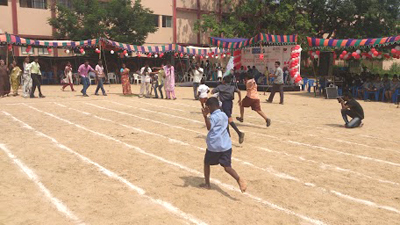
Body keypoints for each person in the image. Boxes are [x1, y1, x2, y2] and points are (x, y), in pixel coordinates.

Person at [200, 97, 247, 193]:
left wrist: (205, 117)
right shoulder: (224, 115)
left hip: (214, 146)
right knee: (227, 167)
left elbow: (209, 127)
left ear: (209, 107)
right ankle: (238, 178)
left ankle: (207, 184)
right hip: (226, 145)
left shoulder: (213, 117)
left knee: (206, 163)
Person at [212, 75, 245, 144]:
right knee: (226, 119)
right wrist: (239, 99)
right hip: (230, 103)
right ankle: (228, 135)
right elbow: (239, 91)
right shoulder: (232, 87)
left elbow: (212, 91)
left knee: (229, 120)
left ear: (223, 81)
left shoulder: (221, 86)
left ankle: (239, 133)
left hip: (224, 104)